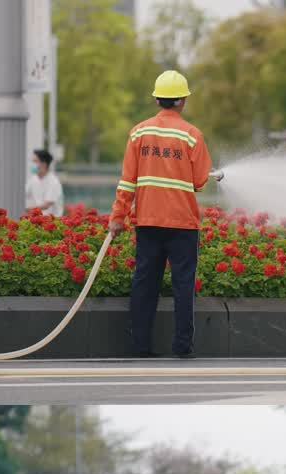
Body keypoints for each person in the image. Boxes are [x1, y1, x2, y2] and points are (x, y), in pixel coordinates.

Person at [108, 70, 219, 359]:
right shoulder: (192, 136)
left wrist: (118, 216)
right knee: (183, 286)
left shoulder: (138, 133)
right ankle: (182, 348)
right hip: (183, 224)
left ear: (157, 99)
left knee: (144, 284)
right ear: (182, 101)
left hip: (148, 221)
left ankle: (140, 347)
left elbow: (126, 182)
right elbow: (198, 181)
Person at [25, 149, 63, 216]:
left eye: (35, 161)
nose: (32, 164)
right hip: (37, 221)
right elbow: (24, 194)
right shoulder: (33, 180)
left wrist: (28, 209)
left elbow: (47, 205)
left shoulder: (53, 182)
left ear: (44, 163)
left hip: (52, 221)